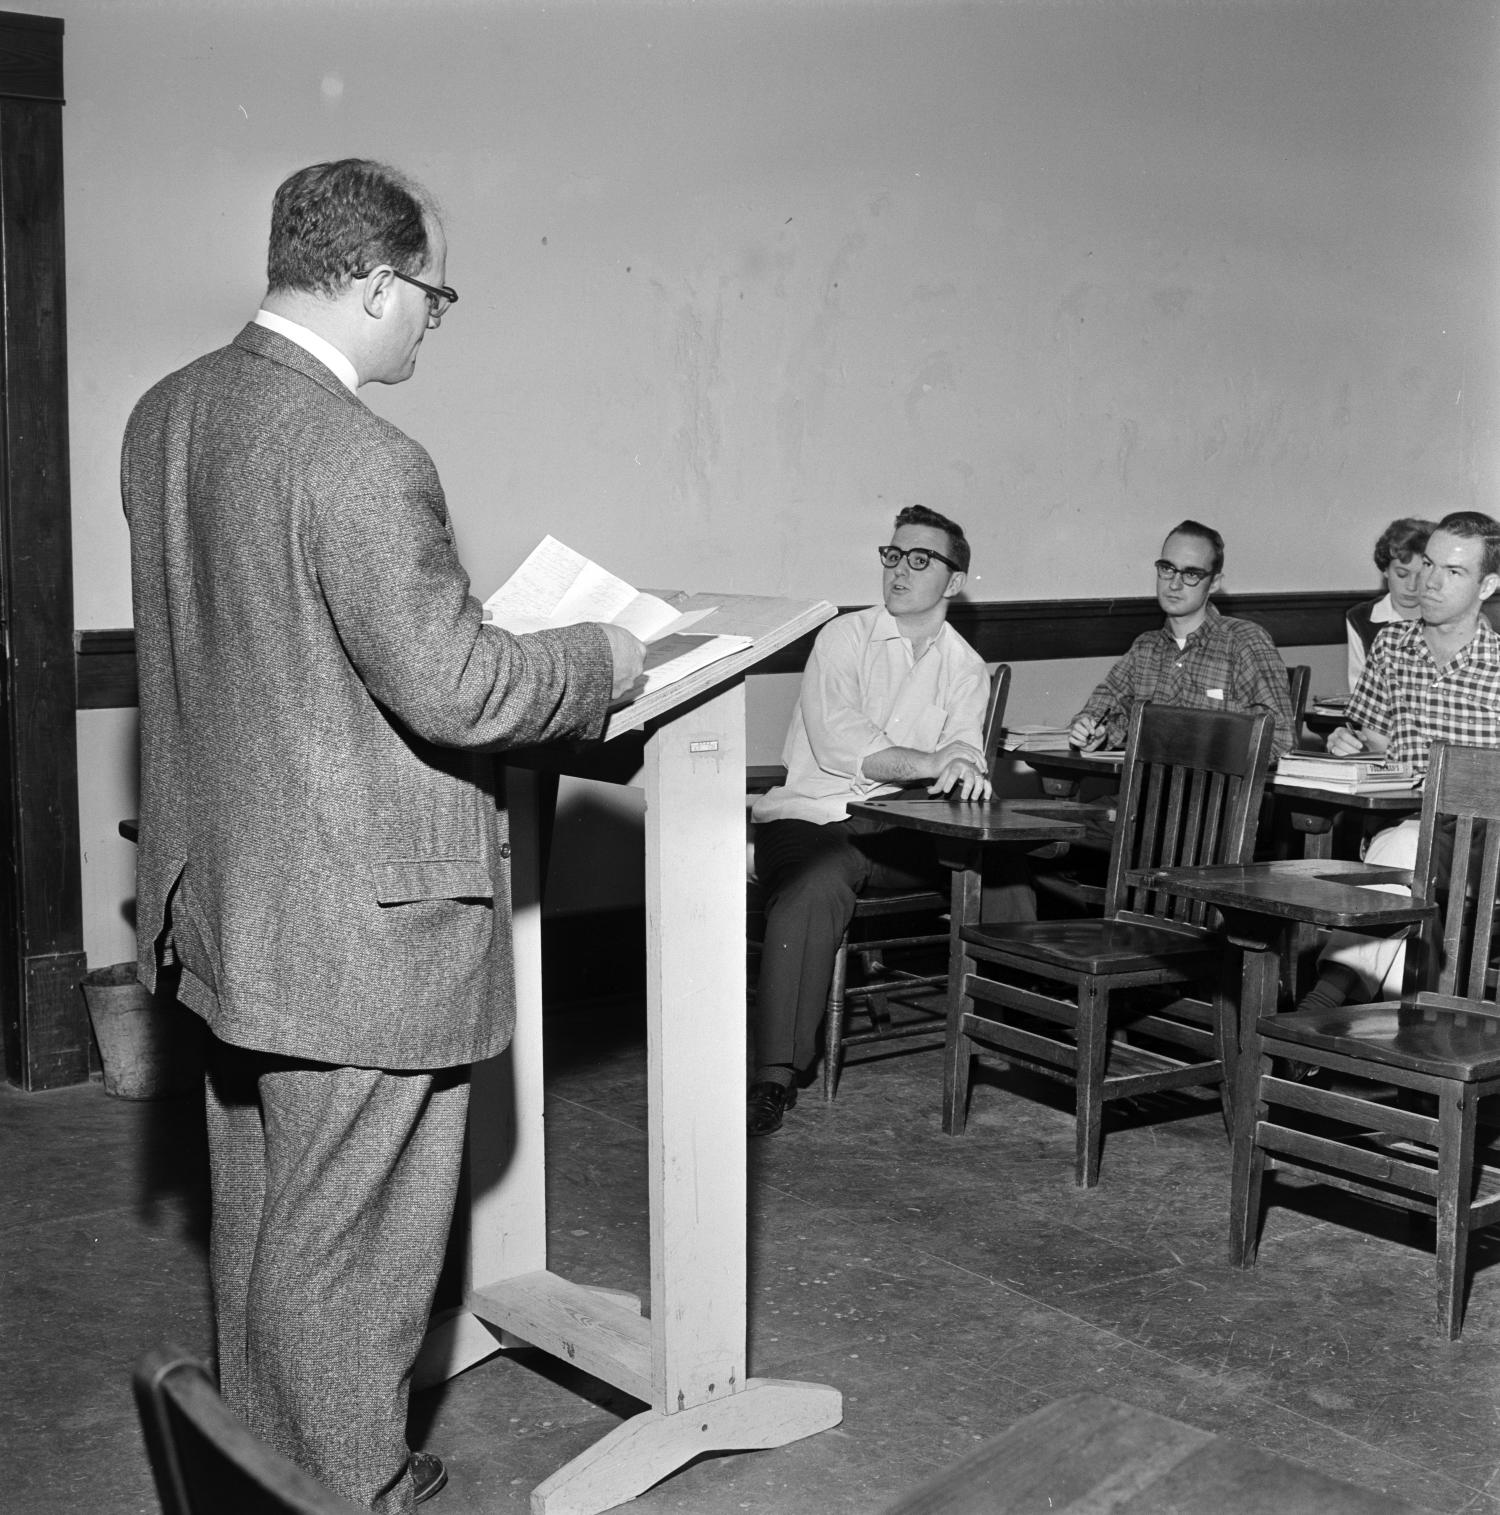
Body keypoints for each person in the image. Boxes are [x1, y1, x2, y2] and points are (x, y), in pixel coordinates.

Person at [121, 160, 645, 1512]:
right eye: (432, 292)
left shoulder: (169, 415)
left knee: (268, 1214)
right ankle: (350, 1485)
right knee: (346, 1239)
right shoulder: (359, 454)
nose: (431, 319)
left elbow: (270, 659)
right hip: (362, 920)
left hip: (229, 899)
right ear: (370, 281)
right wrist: (603, 654)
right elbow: (455, 685)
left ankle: (253, 1469)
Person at [747, 505, 1017, 1137]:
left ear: (953, 582)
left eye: (919, 559)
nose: (899, 570)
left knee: (1003, 869)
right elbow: (843, 743)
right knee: (813, 889)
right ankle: (774, 1076)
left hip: (899, 828)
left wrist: (968, 768)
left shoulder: (964, 667)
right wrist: (933, 760)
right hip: (817, 815)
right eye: (893, 555)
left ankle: (1019, 1025)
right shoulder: (842, 639)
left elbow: (964, 749)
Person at [1298, 510, 1500, 1012]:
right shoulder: (1391, 647)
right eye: (1429, 564)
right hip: (1401, 827)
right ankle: (1372, 1031)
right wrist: (1346, 742)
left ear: (1488, 585)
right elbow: (1374, 741)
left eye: (1453, 572)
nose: (1429, 583)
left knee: (1403, 853)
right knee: (1405, 849)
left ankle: (1325, 1005)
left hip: (1484, 845)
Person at [1068, 520, 1295, 759]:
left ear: (1214, 583)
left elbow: (1281, 740)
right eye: (1167, 569)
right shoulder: (1145, 648)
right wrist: (1092, 731)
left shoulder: (1244, 643)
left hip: (1218, 792)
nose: (1174, 584)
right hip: (1144, 790)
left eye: (1191, 574)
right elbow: (1103, 708)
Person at [1345, 517, 1435, 691]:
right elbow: (1358, 688)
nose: (1411, 586)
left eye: (1421, 576)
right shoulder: (1362, 618)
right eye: (1402, 574)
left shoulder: (1447, 616)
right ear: (1385, 569)